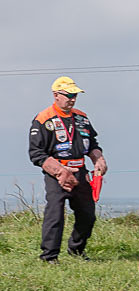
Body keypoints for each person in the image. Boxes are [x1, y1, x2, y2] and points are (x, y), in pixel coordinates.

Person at [28, 76, 107, 264]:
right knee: (55, 214)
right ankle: (49, 257)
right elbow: (36, 153)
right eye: (68, 95)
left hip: (80, 171)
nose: (72, 99)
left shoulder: (82, 117)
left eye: (75, 95)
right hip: (56, 173)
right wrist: (59, 171)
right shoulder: (43, 119)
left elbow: (92, 144)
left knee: (87, 214)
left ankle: (76, 250)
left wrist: (99, 159)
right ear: (56, 95)